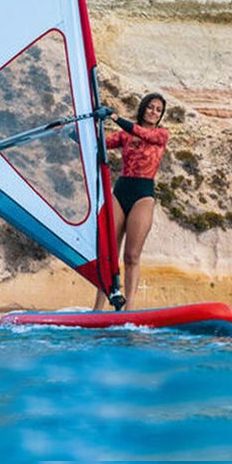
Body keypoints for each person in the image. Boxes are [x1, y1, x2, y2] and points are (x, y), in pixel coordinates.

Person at [94, 93, 169, 312]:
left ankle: (129, 309)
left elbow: (142, 133)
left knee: (131, 255)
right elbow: (100, 146)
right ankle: (98, 309)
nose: (154, 112)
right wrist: (74, 134)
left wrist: (115, 117)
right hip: (120, 191)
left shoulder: (161, 134)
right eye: (151, 107)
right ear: (143, 108)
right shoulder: (125, 136)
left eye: (158, 110)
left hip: (143, 195)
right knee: (109, 254)